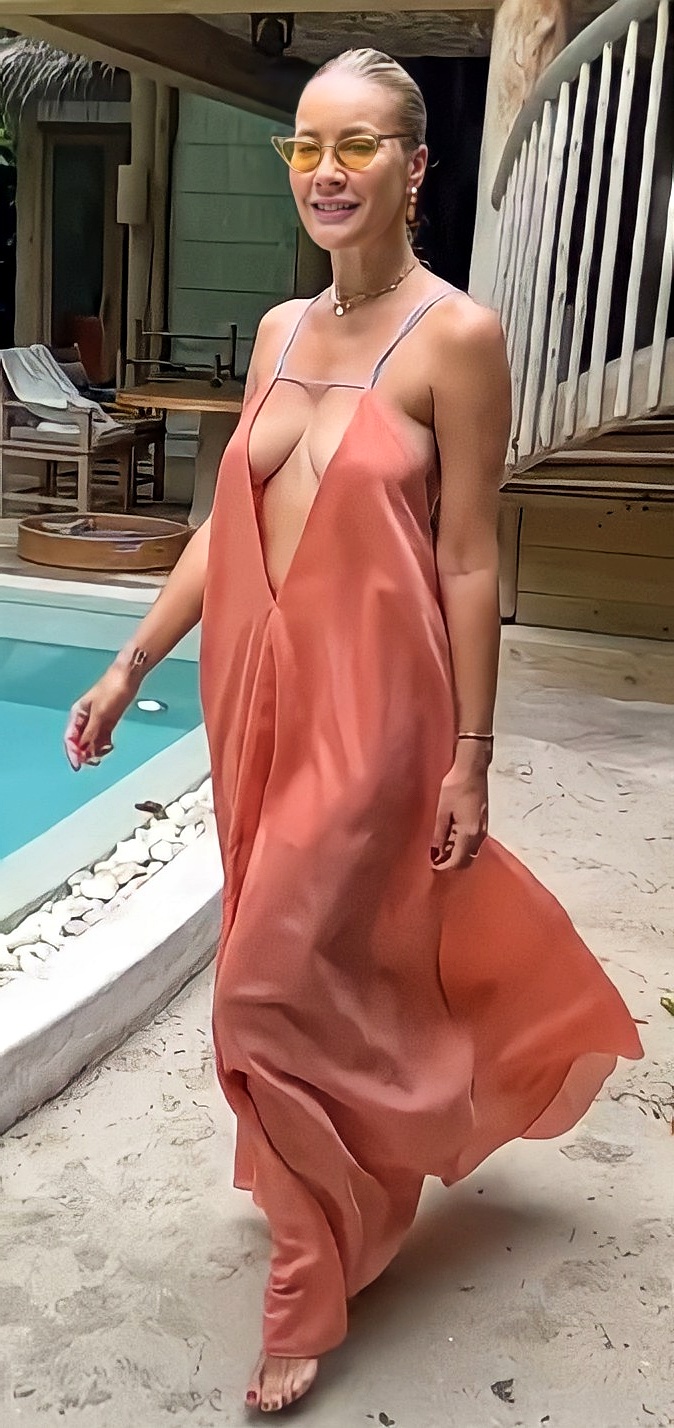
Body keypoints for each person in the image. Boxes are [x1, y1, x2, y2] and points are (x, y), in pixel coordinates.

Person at [64, 49, 643, 1416]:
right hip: (253, 695)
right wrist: (130, 664)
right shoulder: (277, 330)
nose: (325, 171)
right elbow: (222, 528)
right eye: (305, 147)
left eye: (359, 146)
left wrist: (472, 755)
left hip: (377, 713)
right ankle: (345, 1187)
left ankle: (305, 1285)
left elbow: (467, 560)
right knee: (313, 977)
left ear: (416, 167)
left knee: (259, 988)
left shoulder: (459, 338)